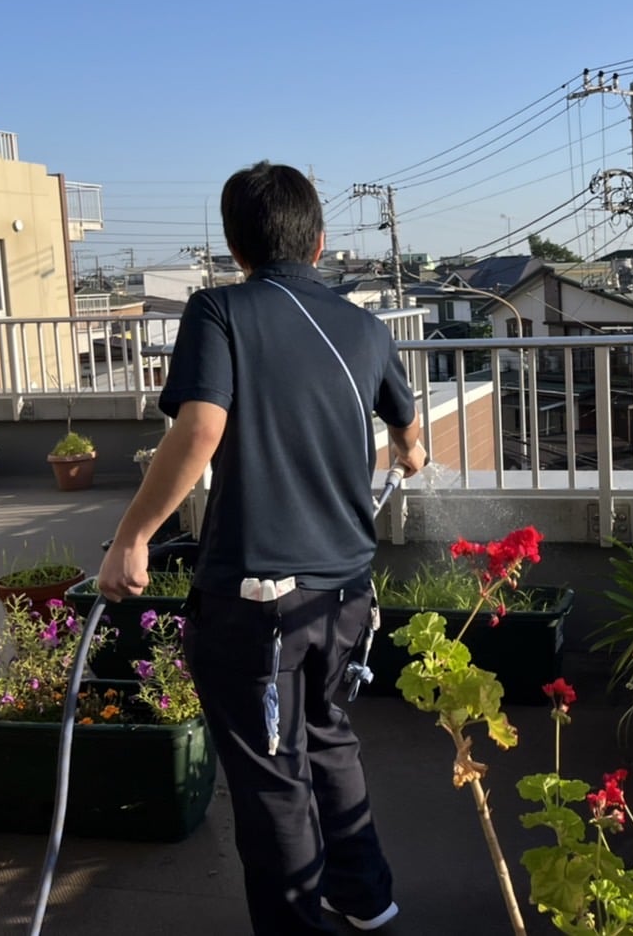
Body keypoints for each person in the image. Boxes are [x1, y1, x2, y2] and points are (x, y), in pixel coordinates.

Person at [99, 161, 425, 934]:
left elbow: (200, 428)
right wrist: (406, 456)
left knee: (274, 778)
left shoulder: (219, 311)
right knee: (332, 743)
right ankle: (367, 899)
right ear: (317, 242)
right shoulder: (366, 327)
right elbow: (409, 439)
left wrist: (132, 537)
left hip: (256, 604)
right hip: (345, 594)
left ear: (237, 247)